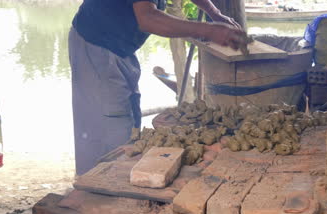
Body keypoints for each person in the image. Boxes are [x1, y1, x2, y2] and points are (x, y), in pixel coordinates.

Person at [69, 0, 246, 176]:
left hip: (119, 45)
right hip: (97, 44)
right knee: (109, 128)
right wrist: (209, 30)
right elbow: (147, 18)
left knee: (126, 120)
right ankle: (94, 191)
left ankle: (115, 180)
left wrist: (213, 11)